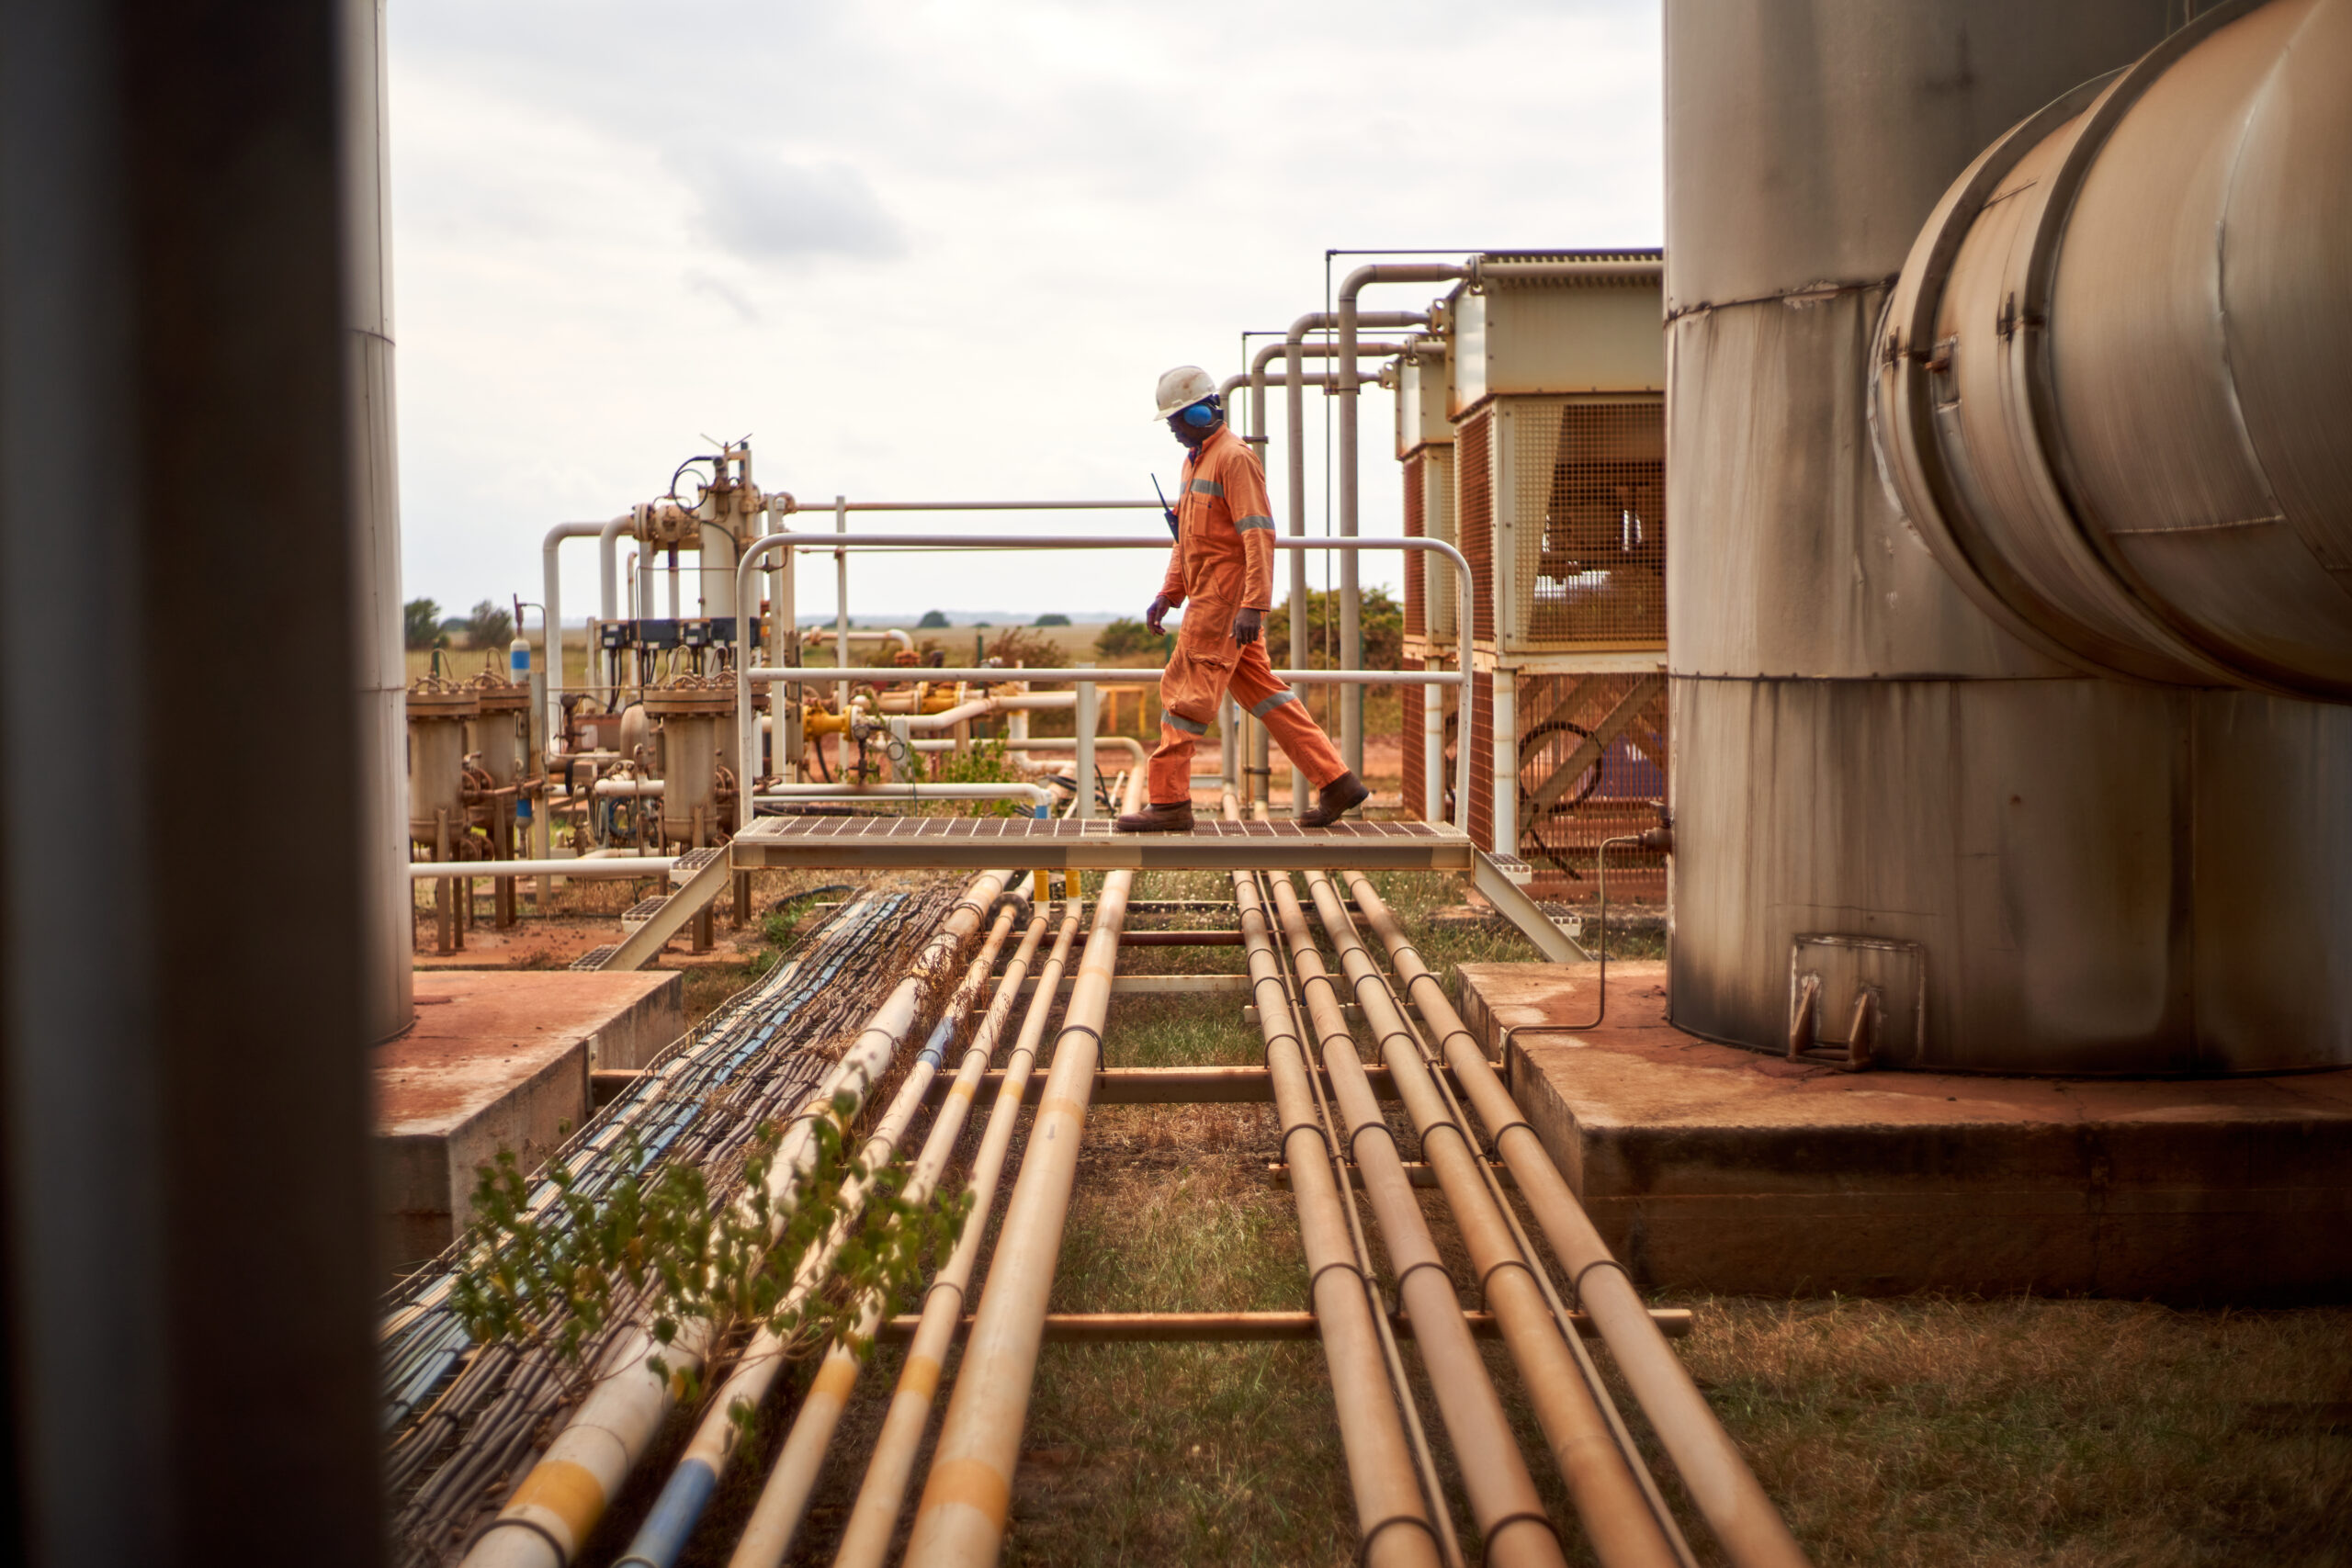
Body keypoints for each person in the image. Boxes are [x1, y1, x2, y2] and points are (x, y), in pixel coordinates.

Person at [1115, 366, 1369, 832]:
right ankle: (1337, 781)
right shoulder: (1194, 460)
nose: (1172, 428)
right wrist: (1168, 593)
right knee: (1266, 693)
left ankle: (1170, 803)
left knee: (1186, 696)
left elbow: (1258, 534)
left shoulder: (1234, 458)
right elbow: (1188, 540)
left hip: (1223, 601)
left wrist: (1254, 603)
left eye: (1177, 418)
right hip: (1213, 596)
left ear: (1200, 411)